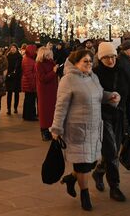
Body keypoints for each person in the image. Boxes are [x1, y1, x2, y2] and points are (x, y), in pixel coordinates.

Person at [50, 49, 120, 211]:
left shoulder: (93, 77)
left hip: (95, 127)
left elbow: (99, 94)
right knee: (82, 165)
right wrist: (56, 128)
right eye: (85, 61)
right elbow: (60, 106)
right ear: (76, 63)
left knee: (92, 162)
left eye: (90, 61)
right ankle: (85, 194)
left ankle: (70, 179)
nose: (88, 64)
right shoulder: (68, 80)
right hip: (77, 129)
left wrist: (110, 97)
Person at [91, 42, 130, 202]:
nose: (110, 60)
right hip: (103, 116)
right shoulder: (95, 74)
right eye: (106, 58)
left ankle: (99, 172)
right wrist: (108, 97)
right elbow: (91, 97)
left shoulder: (123, 72)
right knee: (111, 151)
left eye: (112, 57)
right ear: (100, 58)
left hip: (119, 115)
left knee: (113, 151)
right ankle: (114, 187)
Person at [35, 46, 58, 141]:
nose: (49, 56)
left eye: (50, 54)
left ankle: (51, 129)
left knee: (52, 110)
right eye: (47, 54)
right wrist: (53, 72)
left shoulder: (52, 62)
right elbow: (43, 78)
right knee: (44, 111)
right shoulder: (39, 64)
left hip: (53, 89)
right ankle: (44, 131)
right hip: (44, 91)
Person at [21, 44, 38, 121]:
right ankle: (30, 116)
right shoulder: (29, 60)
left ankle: (27, 115)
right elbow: (29, 74)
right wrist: (33, 85)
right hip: (29, 83)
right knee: (30, 100)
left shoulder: (28, 58)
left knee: (28, 99)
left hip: (28, 82)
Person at [6, 43, 22, 115]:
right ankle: (8, 108)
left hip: (16, 77)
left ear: (16, 48)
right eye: (11, 47)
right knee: (9, 93)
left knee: (16, 93)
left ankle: (15, 107)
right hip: (9, 76)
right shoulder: (8, 56)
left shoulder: (19, 56)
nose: (12, 48)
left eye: (14, 47)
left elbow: (19, 67)